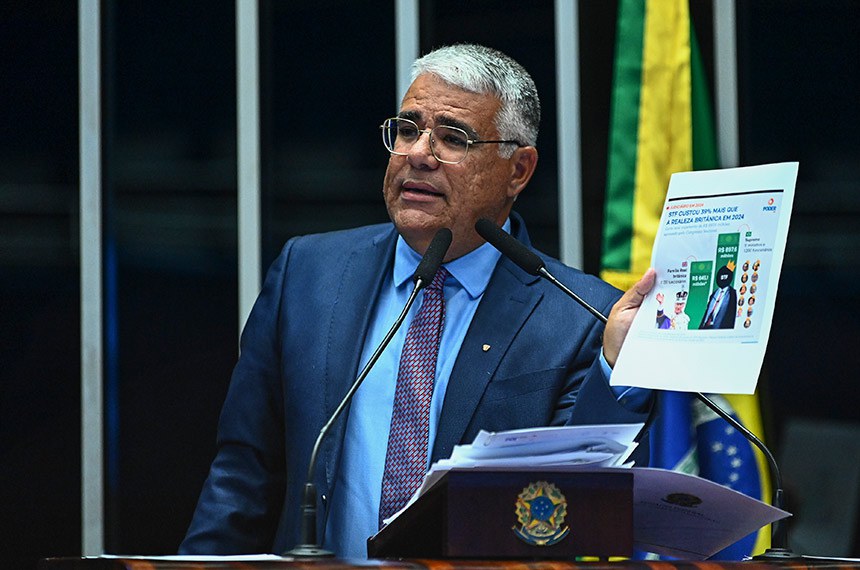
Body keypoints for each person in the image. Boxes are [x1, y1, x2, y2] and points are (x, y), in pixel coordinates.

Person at [179, 43, 656, 558]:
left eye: (453, 138)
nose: (418, 155)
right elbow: (243, 476)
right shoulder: (308, 274)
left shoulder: (579, 315)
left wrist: (616, 368)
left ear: (518, 170)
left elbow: (574, 502)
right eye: (407, 130)